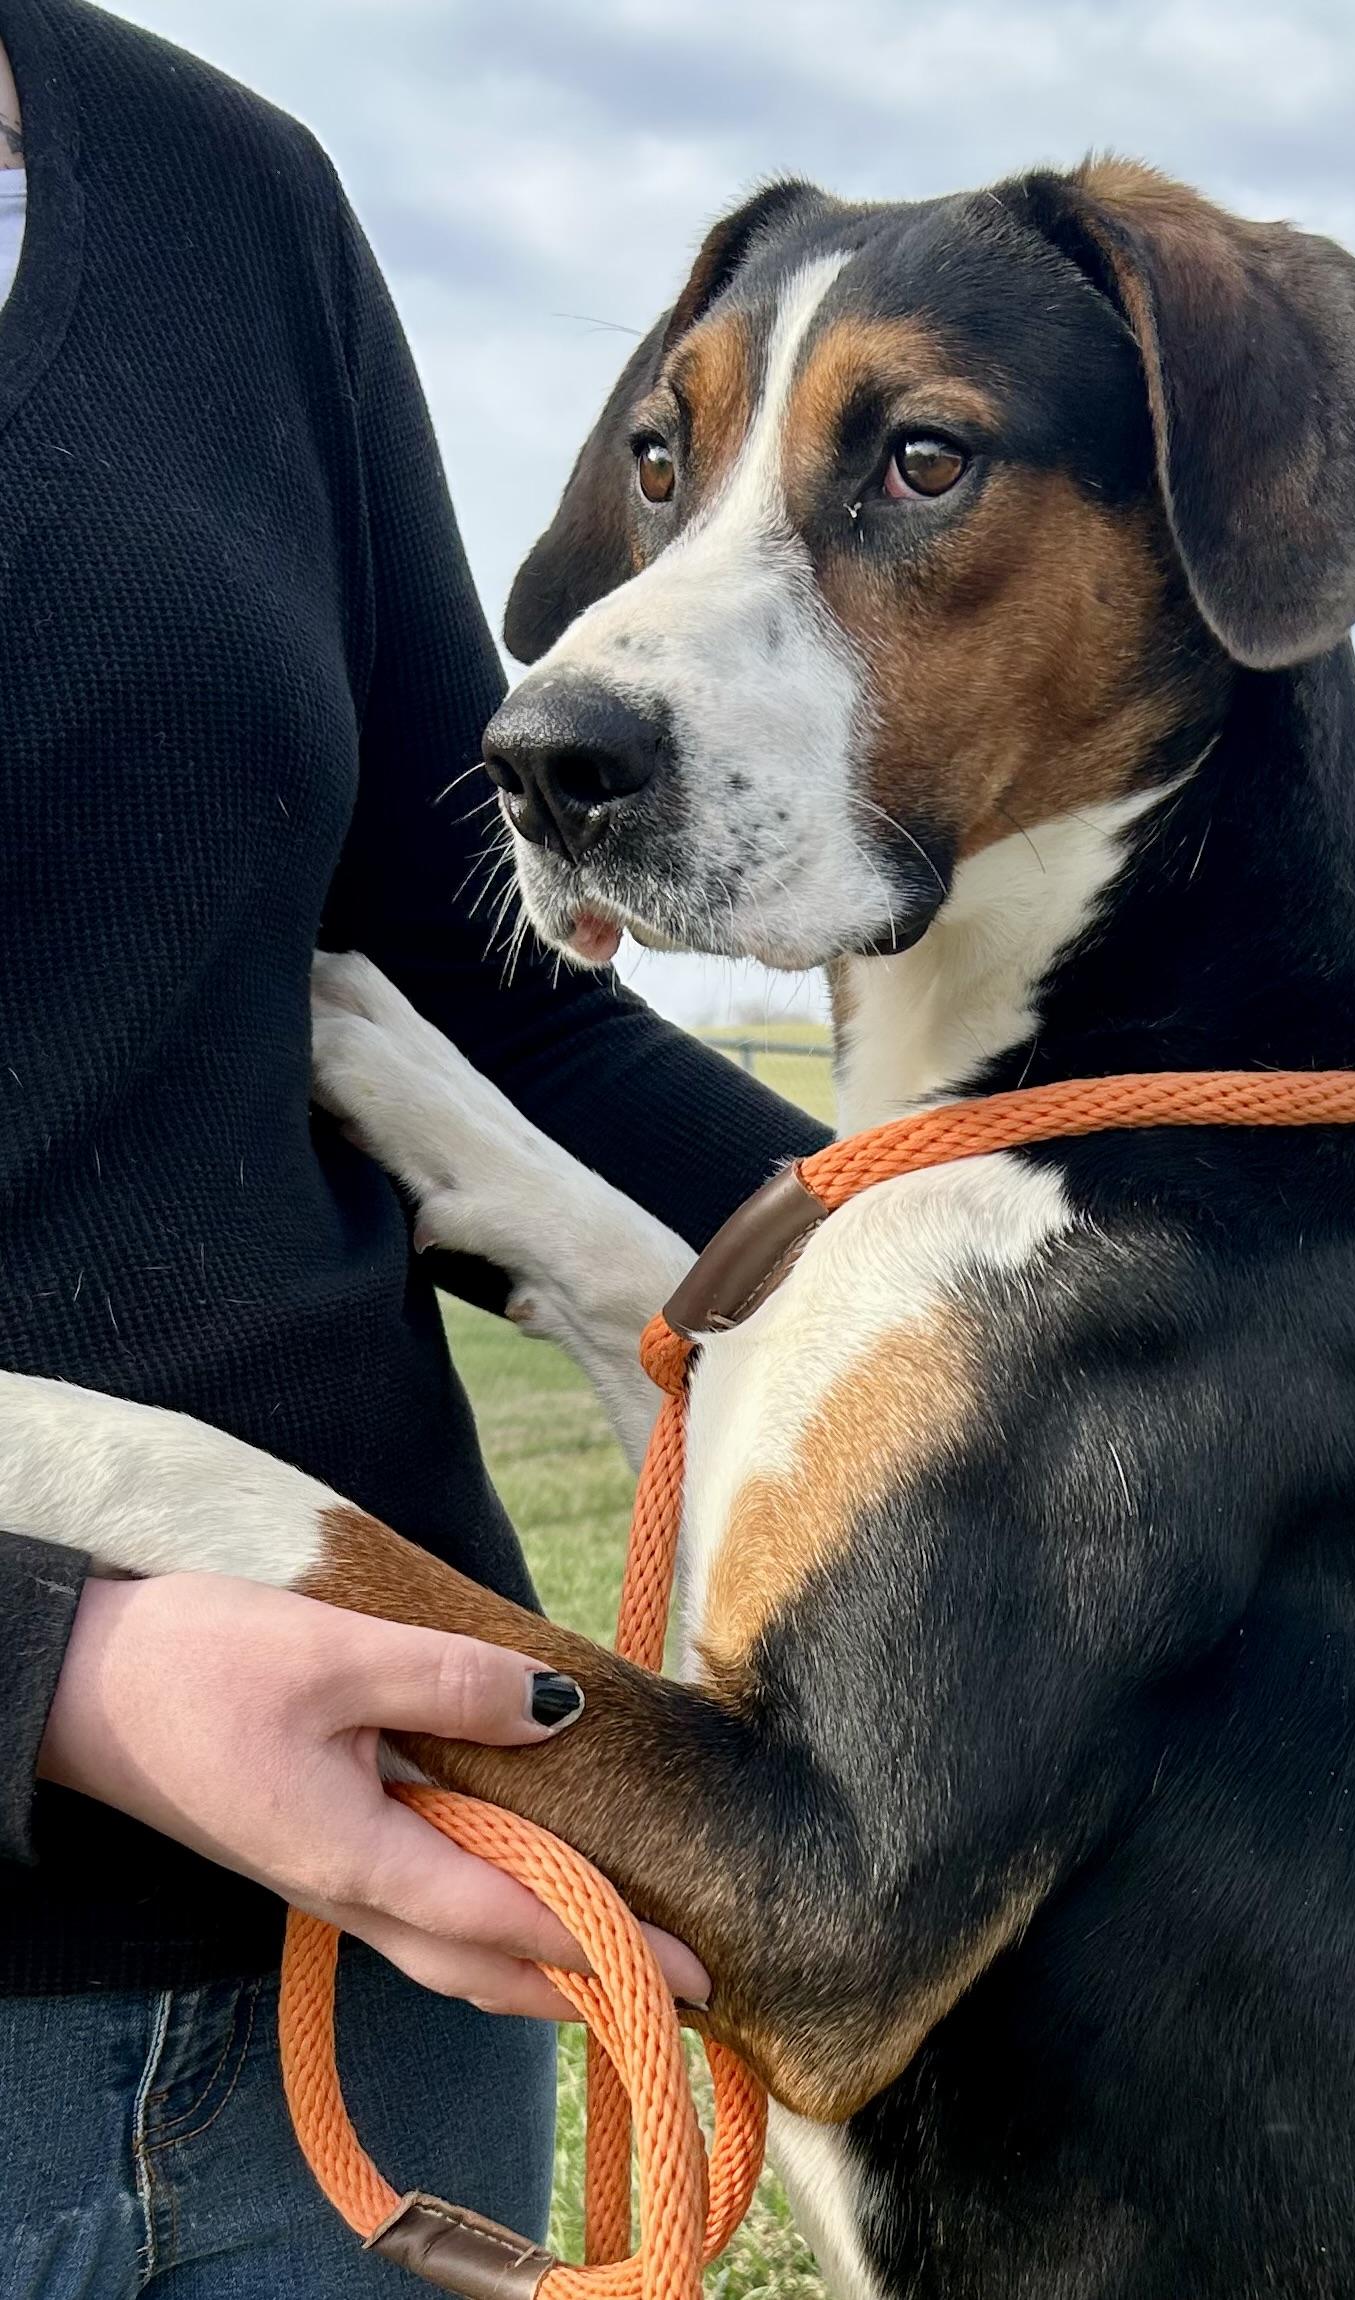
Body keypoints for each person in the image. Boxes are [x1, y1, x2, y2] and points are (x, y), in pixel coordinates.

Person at [0, 1, 825, 2288]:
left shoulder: (219, 189)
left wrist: (1001, 1281)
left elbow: (474, 990)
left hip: (388, 1948)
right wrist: (54, 1666)